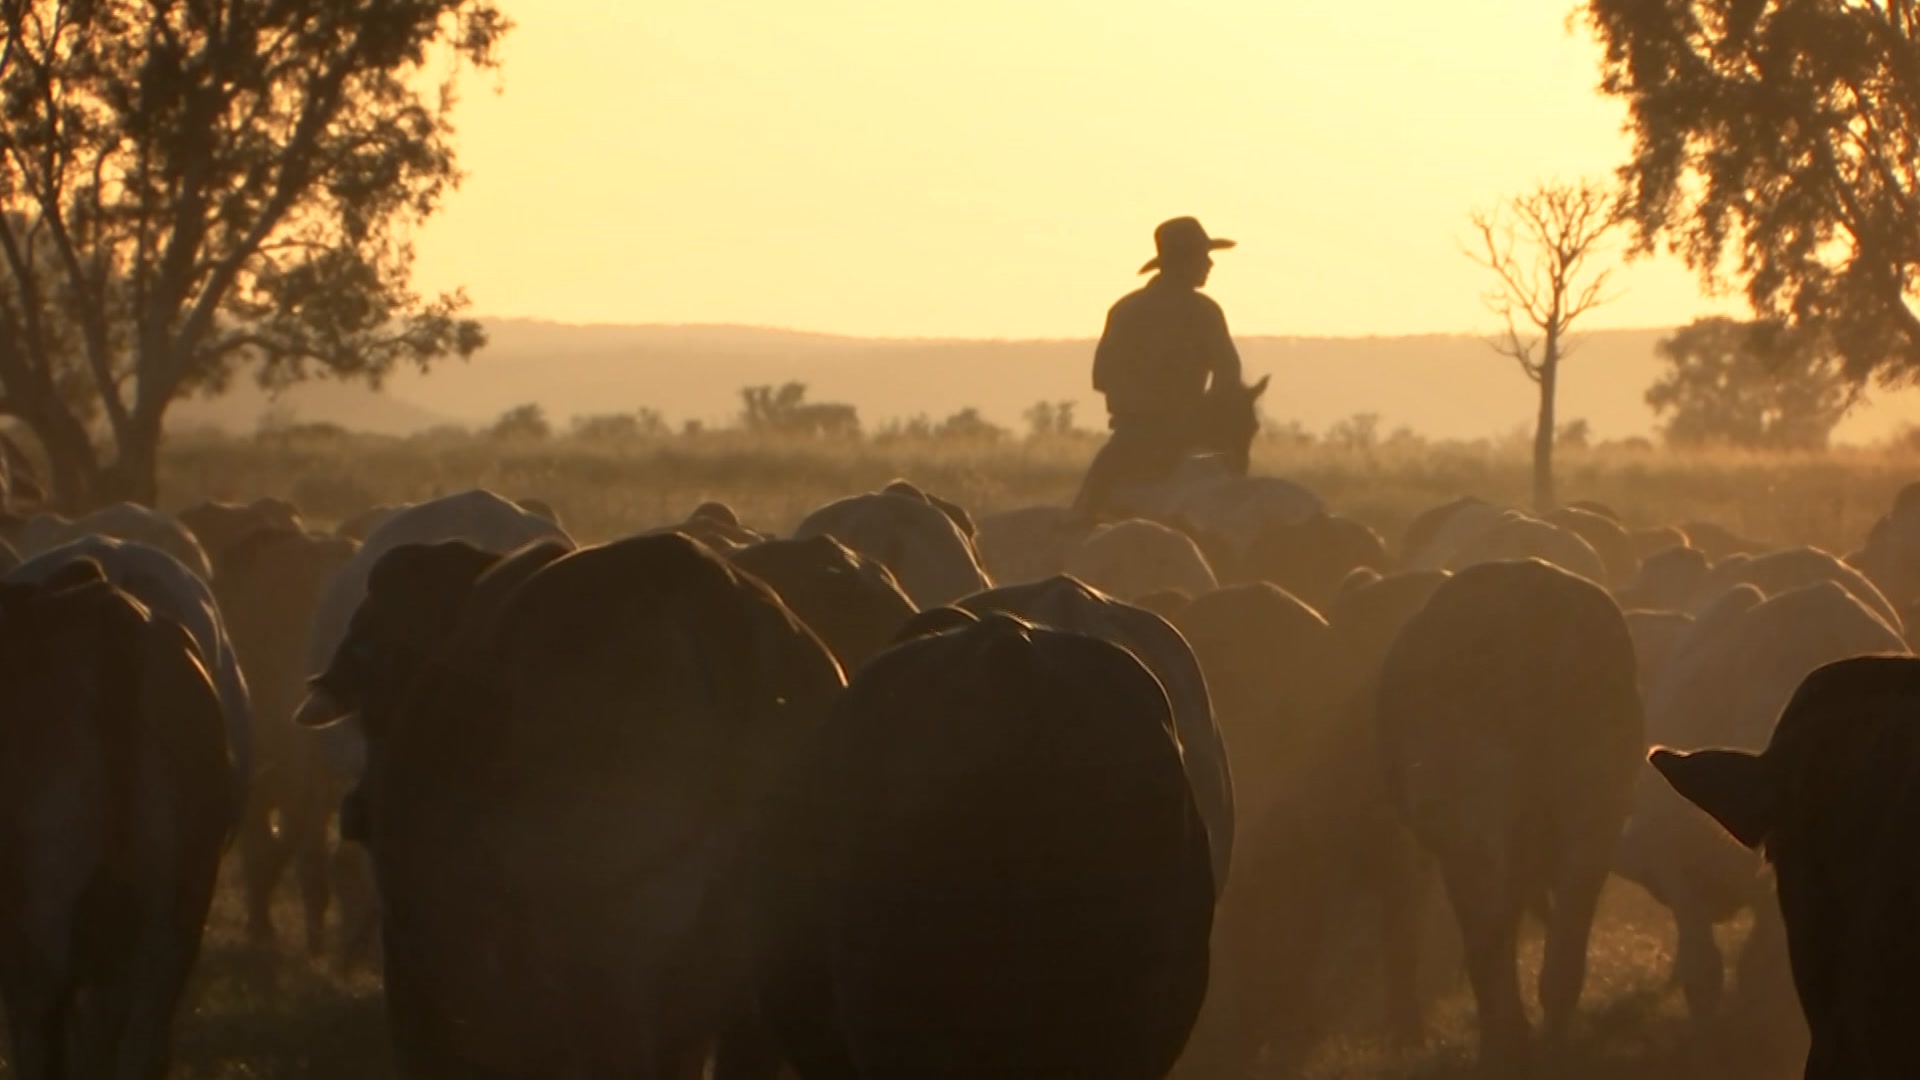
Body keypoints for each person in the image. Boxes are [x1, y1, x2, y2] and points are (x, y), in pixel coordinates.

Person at [1073, 216, 1244, 520]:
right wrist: (1201, 411)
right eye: (1203, 256)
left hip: (1131, 437)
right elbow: (1228, 373)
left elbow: (1102, 376)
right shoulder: (1204, 311)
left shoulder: (1126, 309)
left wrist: (1140, 403)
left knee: (1086, 514)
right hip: (1188, 435)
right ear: (1184, 261)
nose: (1209, 264)